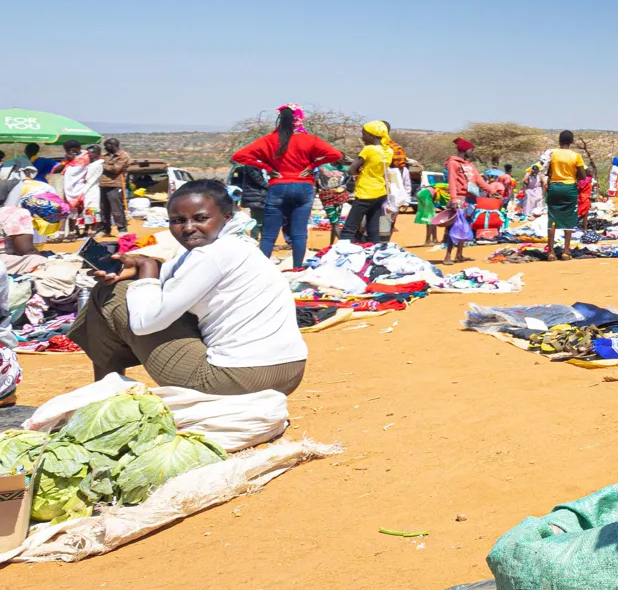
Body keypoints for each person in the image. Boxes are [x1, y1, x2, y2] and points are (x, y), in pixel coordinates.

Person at [70, 180, 307, 395]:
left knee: (111, 291)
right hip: (289, 373)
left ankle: (104, 393)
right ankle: (107, 386)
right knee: (132, 285)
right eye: (178, 221)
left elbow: (144, 324)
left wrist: (146, 269)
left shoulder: (210, 255)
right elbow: (173, 271)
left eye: (200, 218)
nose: (188, 228)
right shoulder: (238, 244)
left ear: (226, 217)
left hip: (235, 379)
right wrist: (139, 264)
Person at [233, 105, 346, 269]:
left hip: (278, 187)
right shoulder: (311, 140)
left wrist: (267, 168)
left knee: (269, 235)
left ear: (280, 119)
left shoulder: (269, 140)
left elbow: (239, 156)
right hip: (304, 187)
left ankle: (262, 270)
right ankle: (297, 268)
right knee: (299, 234)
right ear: (301, 119)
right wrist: (314, 163)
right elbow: (336, 155)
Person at [341, 121, 394, 245]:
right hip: (380, 191)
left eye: (364, 134)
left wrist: (357, 174)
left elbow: (352, 169)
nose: (362, 137)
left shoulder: (369, 149)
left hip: (365, 191)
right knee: (373, 227)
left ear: (372, 135)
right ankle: (374, 252)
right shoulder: (389, 151)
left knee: (350, 227)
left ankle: (341, 253)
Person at [544, 131, 589, 260]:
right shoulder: (576, 156)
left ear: (559, 140)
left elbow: (548, 171)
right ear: (571, 141)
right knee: (569, 218)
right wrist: (574, 176)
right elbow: (584, 176)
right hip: (569, 188)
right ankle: (565, 252)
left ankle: (551, 252)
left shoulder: (553, 154)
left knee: (552, 217)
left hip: (554, 187)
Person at [97, 138, 134, 237]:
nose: (105, 148)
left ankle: (122, 229)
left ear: (112, 145)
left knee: (116, 208)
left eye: (106, 146)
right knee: (104, 209)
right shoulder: (105, 156)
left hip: (115, 184)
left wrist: (101, 165)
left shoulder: (123, 156)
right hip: (103, 184)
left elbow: (116, 169)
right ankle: (105, 229)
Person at [444, 194, 476, 264]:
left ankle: (459, 255)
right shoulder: (455, 185)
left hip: (464, 204)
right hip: (457, 204)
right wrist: (454, 202)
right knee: (453, 232)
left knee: (463, 232)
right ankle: (447, 257)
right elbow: (453, 190)